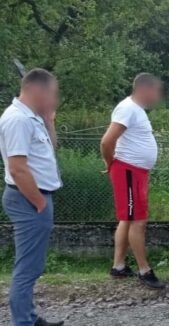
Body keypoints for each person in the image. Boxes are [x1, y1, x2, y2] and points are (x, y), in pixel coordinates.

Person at [0, 69, 64, 326]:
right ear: (38, 90)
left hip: (35, 198)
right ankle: (23, 323)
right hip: (29, 200)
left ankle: (28, 318)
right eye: (53, 94)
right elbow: (17, 168)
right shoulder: (18, 120)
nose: (55, 99)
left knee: (32, 266)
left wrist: (49, 120)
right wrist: (38, 202)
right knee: (27, 269)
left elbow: (51, 149)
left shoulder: (33, 118)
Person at [100, 73, 165, 289]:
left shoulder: (136, 110)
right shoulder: (127, 108)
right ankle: (144, 270)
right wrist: (111, 165)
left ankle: (118, 266)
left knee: (128, 219)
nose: (158, 95)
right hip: (128, 171)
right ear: (145, 89)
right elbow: (107, 142)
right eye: (156, 90)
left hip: (134, 171)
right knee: (138, 221)